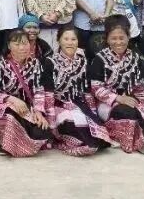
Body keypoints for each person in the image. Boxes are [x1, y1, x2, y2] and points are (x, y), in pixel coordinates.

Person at [88, 16, 144, 153]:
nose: (118, 42)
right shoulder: (100, 59)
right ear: (107, 39)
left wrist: (143, 106)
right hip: (105, 103)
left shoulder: (134, 57)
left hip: (129, 99)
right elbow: (96, 88)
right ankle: (115, 134)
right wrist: (118, 99)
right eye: (114, 38)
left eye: (122, 38)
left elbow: (138, 86)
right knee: (127, 113)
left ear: (128, 37)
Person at [0, 29, 53, 157]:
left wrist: (38, 112)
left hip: (27, 109)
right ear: (9, 46)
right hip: (5, 108)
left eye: (25, 43)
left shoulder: (35, 63)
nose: (22, 48)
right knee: (10, 116)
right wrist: (12, 100)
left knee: (42, 131)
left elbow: (39, 90)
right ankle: (4, 142)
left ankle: (18, 141)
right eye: (17, 44)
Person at [48, 24, 112, 156]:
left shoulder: (83, 62)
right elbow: (47, 94)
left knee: (100, 139)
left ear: (78, 42)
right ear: (59, 40)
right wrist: (51, 122)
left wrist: (93, 114)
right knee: (79, 134)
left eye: (73, 39)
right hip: (58, 106)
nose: (70, 43)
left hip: (79, 104)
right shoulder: (50, 62)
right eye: (66, 39)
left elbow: (87, 91)